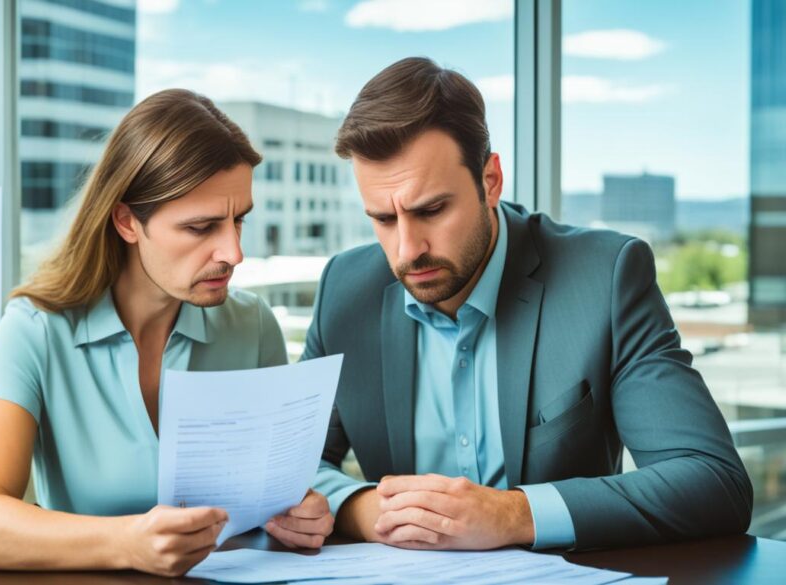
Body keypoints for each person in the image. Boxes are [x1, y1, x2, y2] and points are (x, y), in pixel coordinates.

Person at [308, 57, 752, 551]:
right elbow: (288, 466)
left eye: (431, 210)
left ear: (490, 181)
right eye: (383, 220)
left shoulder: (605, 277)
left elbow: (713, 483)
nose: (407, 249)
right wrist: (361, 507)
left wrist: (512, 513)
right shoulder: (345, 291)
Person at [0, 89, 333, 577]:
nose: (234, 253)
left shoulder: (253, 325)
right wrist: (127, 544)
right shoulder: (35, 331)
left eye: (239, 221)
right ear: (127, 221)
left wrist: (302, 514)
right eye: (201, 227)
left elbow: (280, 494)